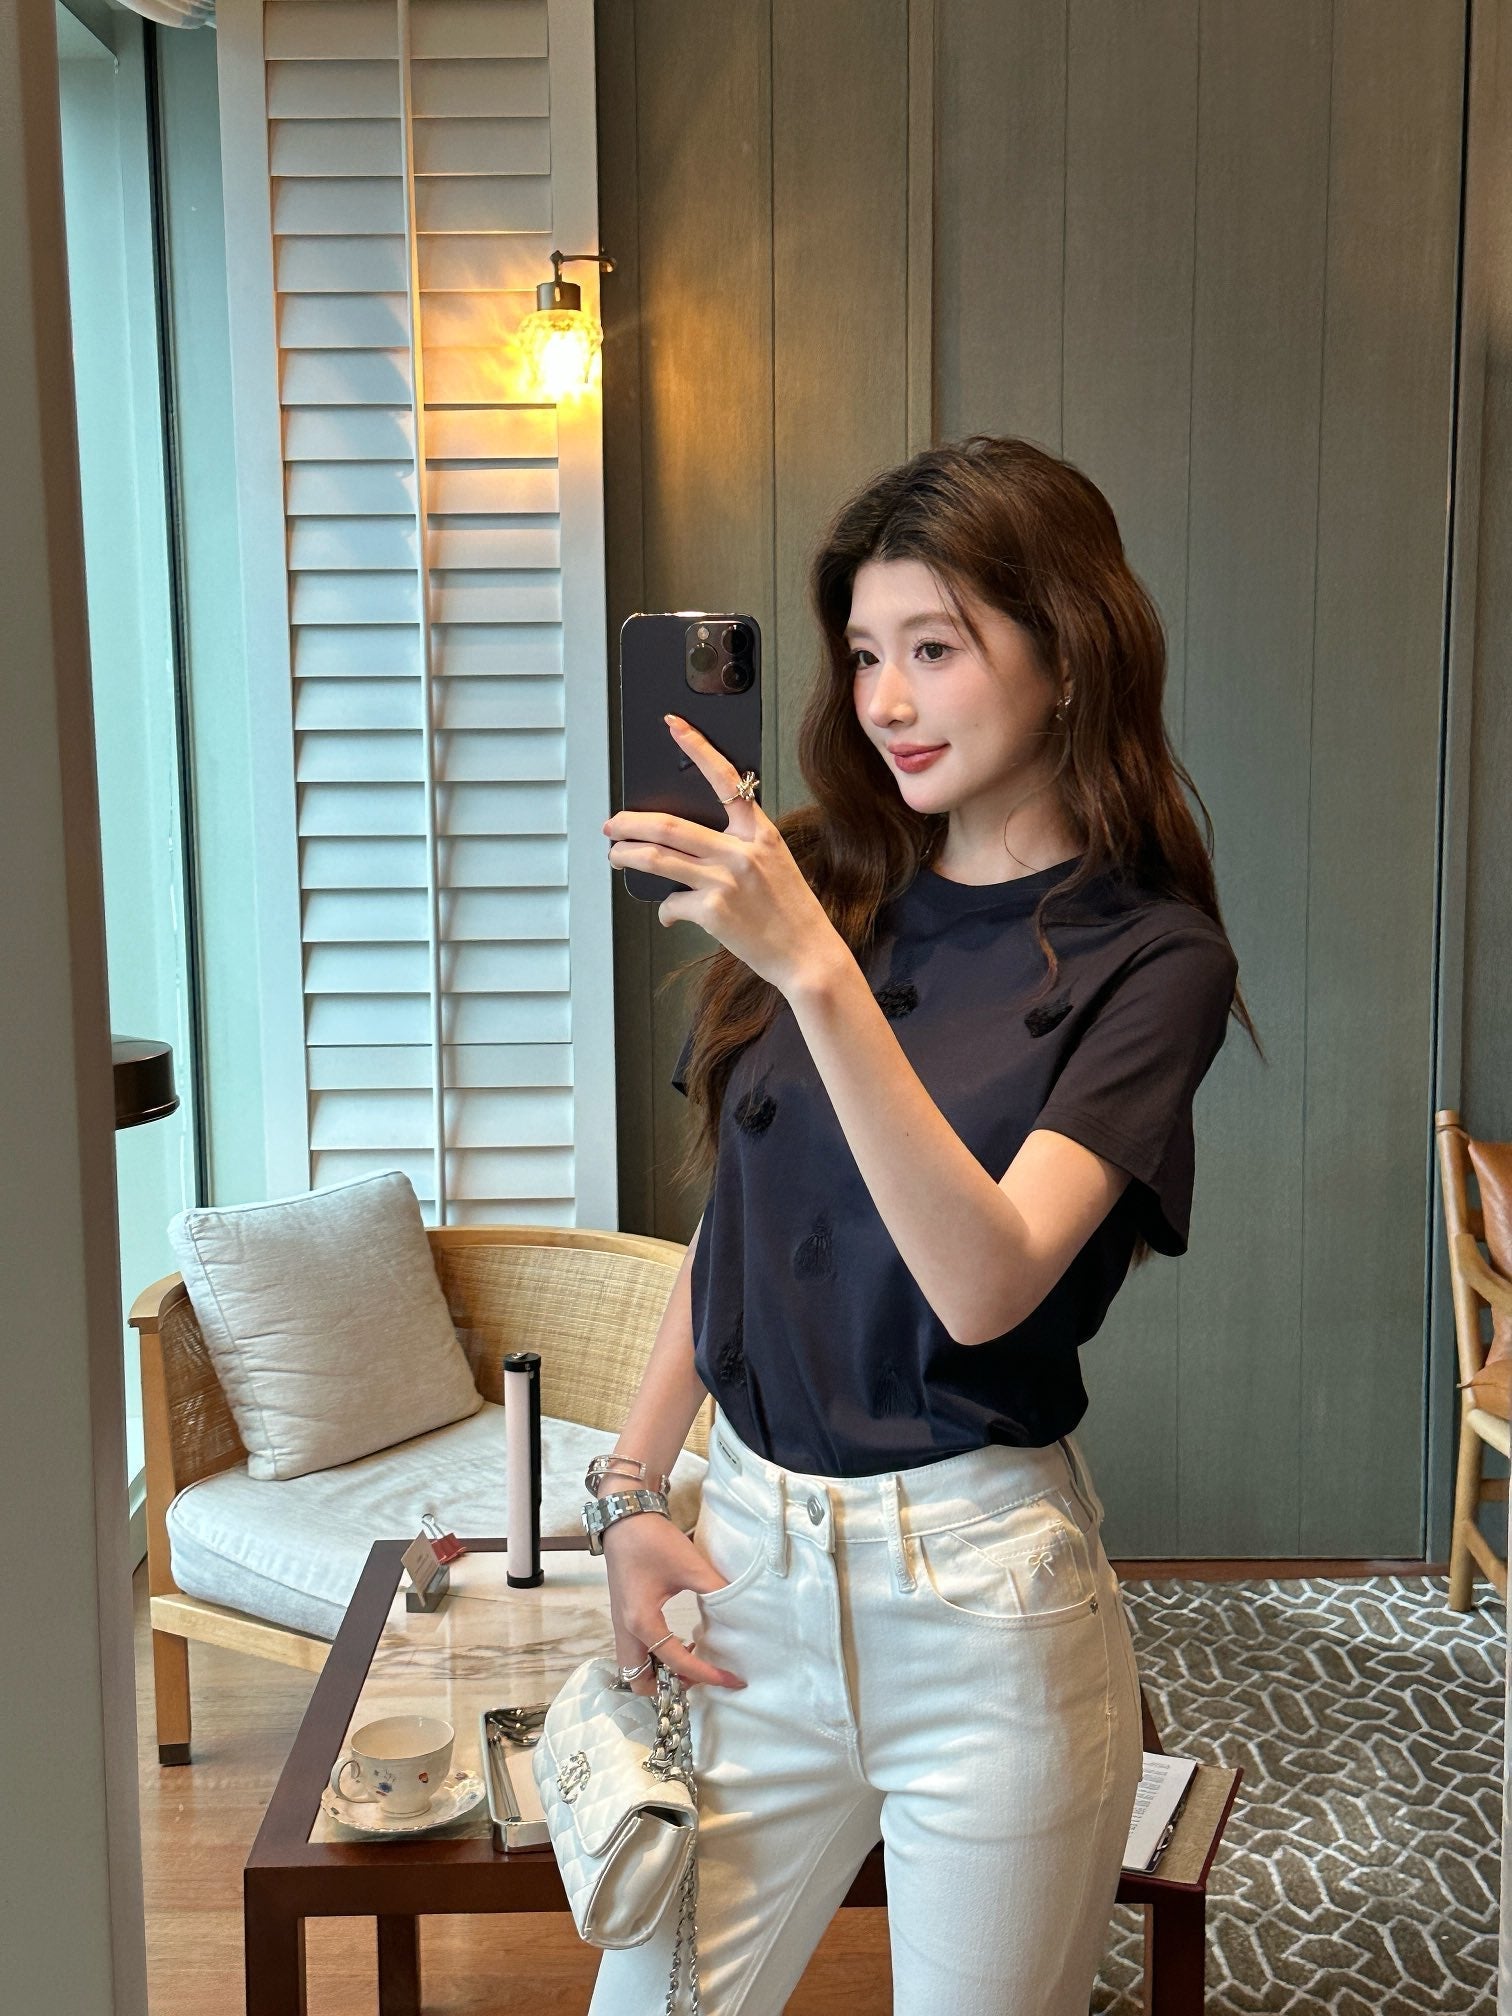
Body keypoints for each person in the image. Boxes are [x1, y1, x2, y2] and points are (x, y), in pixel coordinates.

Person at [588, 434, 1260, 2015]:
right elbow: (736, 1224)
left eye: (937, 649)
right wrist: (626, 1491)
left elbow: (987, 1285)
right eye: (865, 653)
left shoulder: (1154, 960)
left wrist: (815, 975)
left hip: (981, 1607)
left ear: (1069, 655)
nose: (887, 701)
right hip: (747, 1577)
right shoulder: (821, 877)